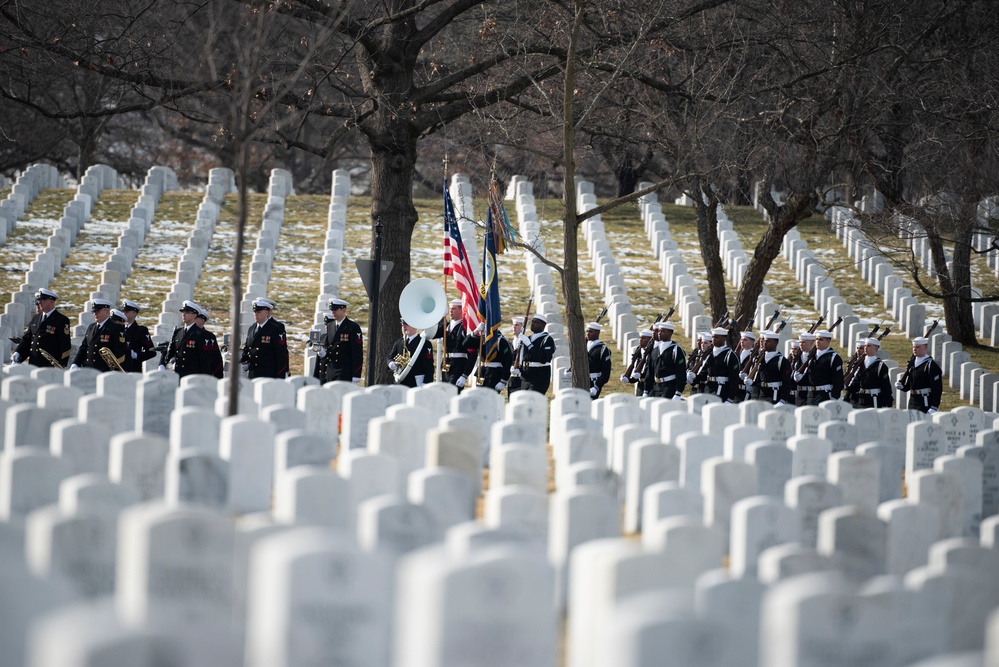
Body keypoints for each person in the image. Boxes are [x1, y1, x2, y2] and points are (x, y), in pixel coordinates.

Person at [12, 288, 71, 368]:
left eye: (43, 299)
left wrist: (61, 364)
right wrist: (18, 352)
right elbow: (27, 339)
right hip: (33, 364)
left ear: (51, 301)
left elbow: (65, 345)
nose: (39, 302)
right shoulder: (35, 318)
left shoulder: (61, 320)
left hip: (50, 366)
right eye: (39, 299)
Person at [159, 301, 217, 377]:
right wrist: (163, 362)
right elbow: (171, 352)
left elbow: (205, 361)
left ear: (194, 315)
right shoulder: (177, 332)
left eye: (187, 312)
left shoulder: (202, 334)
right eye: (183, 312)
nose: (184, 314)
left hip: (194, 377)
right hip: (178, 375)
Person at [313, 298, 363, 384]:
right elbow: (330, 347)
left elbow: (357, 353)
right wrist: (323, 353)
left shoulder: (352, 327)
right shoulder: (330, 325)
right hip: (331, 371)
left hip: (345, 371)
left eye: (335, 310)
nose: (333, 312)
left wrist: (356, 374)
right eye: (332, 310)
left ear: (343, 310)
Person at [72, 298, 127, 371]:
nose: (95, 314)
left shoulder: (115, 328)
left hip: (104, 371)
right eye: (93, 312)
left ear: (106, 311)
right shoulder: (91, 327)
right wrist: (75, 363)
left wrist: (115, 369)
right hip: (88, 369)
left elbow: (120, 352)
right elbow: (84, 347)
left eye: (97, 311)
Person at [240, 297, 289, 379]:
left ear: (266, 312)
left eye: (258, 312)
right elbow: (248, 349)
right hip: (253, 374)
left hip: (269, 375)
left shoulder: (275, 329)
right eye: (255, 311)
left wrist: (281, 376)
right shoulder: (252, 328)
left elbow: (281, 355)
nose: (256, 314)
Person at [688, 327, 741, 402]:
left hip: (722, 391)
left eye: (716, 337)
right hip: (708, 390)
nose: (713, 339)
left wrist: (730, 399)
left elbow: (734, 379)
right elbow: (704, 373)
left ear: (724, 338)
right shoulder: (709, 354)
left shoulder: (730, 355)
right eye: (713, 337)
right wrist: (693, 378)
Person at [793, 329, 843, 406]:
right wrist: (800, 379)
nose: (817, 341)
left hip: (825, 395)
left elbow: (838, 380)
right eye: (816, 339)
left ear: (828, 341)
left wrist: (834, 397)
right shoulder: (812, 356)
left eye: (821, 339)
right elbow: (809, 378)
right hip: (810, 395)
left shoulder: (833, 357)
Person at [435, 300, 477, 391]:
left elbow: (473, 353)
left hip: (459, 365)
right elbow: (434, 333)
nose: (450, 311)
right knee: (445, 393)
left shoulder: (464, 328)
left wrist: (465, 375)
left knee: (453, 392)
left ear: (461, 310)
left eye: (453, 309)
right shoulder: (447, 325)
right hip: (446, 364)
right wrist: (442, 318)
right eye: (450, 309)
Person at [512, 313, 556, 394]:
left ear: (543, 325)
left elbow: (543, 358)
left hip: (539, 376)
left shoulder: (547, 340)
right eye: (532, 322)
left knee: (532, 401)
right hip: (525, 376)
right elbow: (523, 357)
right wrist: (517, 367)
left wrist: (529, 344)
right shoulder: (528, 338)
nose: (533, 324)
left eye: (536, 322)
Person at [896, 336, 942, 413]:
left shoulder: (931, 365)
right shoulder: (912, 364)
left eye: (918, 347)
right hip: (912, 401)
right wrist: (902, 386)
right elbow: (910, 385)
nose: (915, 349)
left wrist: (934, 406)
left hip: (925, 401)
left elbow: (937, 388)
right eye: (914, 347)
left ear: (925, 347)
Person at [463, 322, 513, 393]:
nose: (486, 326)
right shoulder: (482, 339)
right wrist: (476, 331)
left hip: (493, 375)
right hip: (481, 374)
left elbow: (508, 361)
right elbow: (466, 344)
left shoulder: (500, 340)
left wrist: (503, 380)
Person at [744, 331, 791, 404]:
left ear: (776, 343)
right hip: (761, 396)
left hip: (774, 396)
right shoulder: (759, 359)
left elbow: (787, 383)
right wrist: (752, 382)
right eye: (765, 341)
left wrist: (782, 400)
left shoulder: (781, 360)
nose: (765, 343)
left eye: (768, 341)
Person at [846, 337, 893, 408]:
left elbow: (885, 386)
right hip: (861, 400)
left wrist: (887, 402)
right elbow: (856, 382)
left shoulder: (880, 366)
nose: (865, 348)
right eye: (865, 346)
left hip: (874, 400)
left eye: (868, 346)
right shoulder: (861, 364)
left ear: (876, 348)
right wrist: (846, 386)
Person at [643, 322, 686, 400]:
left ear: (670, 333)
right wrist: (646, 390)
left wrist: (678, 392)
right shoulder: (655, 350)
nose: (659, 333)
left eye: (663, 331)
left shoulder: (676, 350)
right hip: (655, 387)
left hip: (669, 387)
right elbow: (650, 371)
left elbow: (681, 372)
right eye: (659, 331)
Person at [388, 319, 435, 388]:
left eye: (406, 324)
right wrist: (391, 363)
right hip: (401, 381)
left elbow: (429, 367)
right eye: (402, 325)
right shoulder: (399, 342)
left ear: (414, 326)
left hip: (416, 383)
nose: (404, 327)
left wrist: (426, 383)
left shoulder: (424, 343)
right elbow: (390, 357)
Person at [119, 299, 157, 373]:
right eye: (122, 312)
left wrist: (136, 355)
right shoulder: (118, 328)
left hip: (133, 369)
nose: (123, 314)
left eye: (126, 312)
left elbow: (151, 352)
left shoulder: (141, 331)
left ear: (134, 314)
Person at [194, 306, 225, 379]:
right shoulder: (185, 333)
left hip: (205, 374)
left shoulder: (209, 337)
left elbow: (216, 358)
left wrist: (218, 376)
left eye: (196, 318)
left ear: (203, 320)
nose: (193, 319)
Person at [621, 329, 653, 396]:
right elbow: (636, 375)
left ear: (650, 340)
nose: (640, 340)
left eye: (643, 338)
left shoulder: (653, 352)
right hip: (640, 387)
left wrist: (641, 375)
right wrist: (629, 379)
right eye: (640, 338)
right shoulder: (639, 351)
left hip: (651, 387)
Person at [584, 322, 612, 398]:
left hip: (594, 382)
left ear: (597, 333)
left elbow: (606, 372)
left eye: (591, 331)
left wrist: (597, 386)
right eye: (587, 331)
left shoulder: (602, 349)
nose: (588, 333)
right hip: (581, 380)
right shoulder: (583, 346)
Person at [789, 332, 814, 405]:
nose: (801, 344)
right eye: (800, 342)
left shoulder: (814, 357)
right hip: (799, 395)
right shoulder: (797, 358)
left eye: (804, 342)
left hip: (811, 394)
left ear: (811, 342)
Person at [841, 337, 869, 404]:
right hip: (850, 392)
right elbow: (848, 373)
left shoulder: (867, 363)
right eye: (857, 348)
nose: (858, 351)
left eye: (861, 348)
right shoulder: (854, 361)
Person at [736, 331, 757, 401]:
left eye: (745, 340)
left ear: (752, 342)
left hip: (748, 393)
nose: (742, 342)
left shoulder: (755, 356)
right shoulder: (737, 354)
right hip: (736, 392)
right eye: (741, 340)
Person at [507, 315, 525, 395]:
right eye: (513, 325)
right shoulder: (511, 343)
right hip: (512, 377)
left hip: (522, 378)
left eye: (517, 325)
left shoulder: (525, 342)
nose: (514, 327)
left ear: (522, 327)